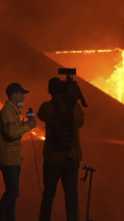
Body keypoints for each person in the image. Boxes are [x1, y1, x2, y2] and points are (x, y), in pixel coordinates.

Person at [37, 77, 85, 221]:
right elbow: (81, 122)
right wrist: (73, 100)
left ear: (50, 91)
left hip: (52, 157)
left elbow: (40, 115)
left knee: (48, 195)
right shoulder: (74, 108)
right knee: (71, 196)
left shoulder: (47, 107)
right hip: (71, 157)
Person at [0, 82, 36, 221]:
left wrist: (22, 124)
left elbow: (12, 129)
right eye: (21, 93)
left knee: (13, 194)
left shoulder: (13, 112)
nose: (23, 97)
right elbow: (11, 134)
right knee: (12, 192)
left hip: (12, 158)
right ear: (13, 95)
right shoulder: (7, 112)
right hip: (9, 158)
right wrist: (27, 127)